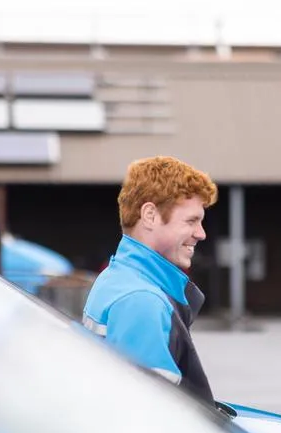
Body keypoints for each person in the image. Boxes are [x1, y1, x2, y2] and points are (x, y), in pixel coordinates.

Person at [82, 155, 219, 406]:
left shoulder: (117, 278)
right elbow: (150, 421)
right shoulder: (143, 302)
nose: (201, 234)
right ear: (150, 215)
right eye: (191, 221)